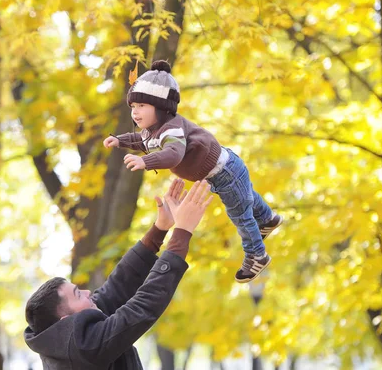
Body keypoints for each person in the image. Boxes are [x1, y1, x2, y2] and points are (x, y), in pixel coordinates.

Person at [103, 60, 283, 283]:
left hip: (225, 172)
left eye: (142, 106)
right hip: (223, 170)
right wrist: (119, 140)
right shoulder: (152, 131)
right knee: (246, 197)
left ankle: (257, 255)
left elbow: (174, 154)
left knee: (241, 214)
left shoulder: (172, 130)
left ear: (161, 107)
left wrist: (145, 162)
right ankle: (268, 219)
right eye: (133, 107)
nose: (135, 113)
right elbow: (140, 141)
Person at [24, 178, 213, 370]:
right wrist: (182, 232)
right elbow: (142, 307)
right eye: (78, 294)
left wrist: (160, 228)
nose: (88, 293)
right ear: (66, 323)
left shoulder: (70, 337)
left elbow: (117, 285)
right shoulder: (84, 349)